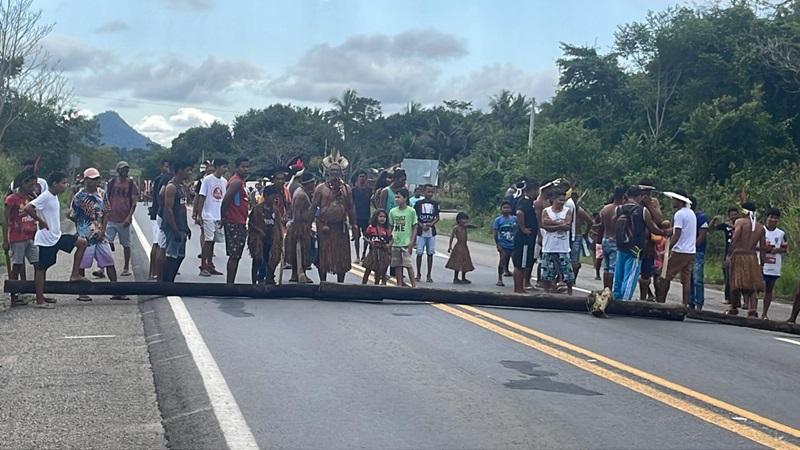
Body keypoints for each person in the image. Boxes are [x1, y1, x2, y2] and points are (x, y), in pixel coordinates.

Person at [25, 172, 89, 309]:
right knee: (41, 269)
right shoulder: (46, 196)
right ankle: (40, 300)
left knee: (82, 243)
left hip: (56, 236)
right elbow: (28, 208)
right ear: (54, 184)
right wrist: (40, 222)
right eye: (63, 183)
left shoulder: (53, 197)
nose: (65, 186)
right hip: (46, 239)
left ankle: (74, 274)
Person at [71, 168, 127, 301]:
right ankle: (82, 291)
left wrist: (103, 229)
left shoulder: (102, 193)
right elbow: (73, 214)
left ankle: (115, 290)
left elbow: (106, 212)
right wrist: (81, 229)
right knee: (82, 263)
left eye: (96, 179)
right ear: (85, 180)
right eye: (92, 179)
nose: (95, 181)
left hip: (100, 233)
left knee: (109, 260)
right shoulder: (79, 197)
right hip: (85, 233)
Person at [615, 186, 668, 301]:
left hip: (620, 246)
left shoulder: (619, 209)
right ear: (639, 196)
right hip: (635, 249)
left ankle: (616, 297)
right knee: (630, 276)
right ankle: (624, 301)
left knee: (618, 275)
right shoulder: (641, 210)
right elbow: (653, 228)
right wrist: (664, 232)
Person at [312, 159, 358, 283]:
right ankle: (323, 281)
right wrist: (307, 225)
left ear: (341, 172)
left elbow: (351, 207)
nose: (334, 173)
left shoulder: (346, 189)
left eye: (337, 170)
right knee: (323, 254)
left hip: (340, 227)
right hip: (324, 227)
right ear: (328, 172)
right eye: (332, 170)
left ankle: (340, 283)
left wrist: (354, 225)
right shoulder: (320, 188)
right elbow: (313, 207)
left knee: (341, 255)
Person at [3, 171, 39, 306]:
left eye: (34, 183)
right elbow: (5, 219)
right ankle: (14, 294)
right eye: (29, 183)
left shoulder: (32, 197)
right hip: (17, 237)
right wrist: (5, 240)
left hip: (31, 235)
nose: (32, 186)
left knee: (37, 264)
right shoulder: (11, 199)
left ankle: (37, 291)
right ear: (22, 184)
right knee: (17, 265)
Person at [725, 203, 766, 317]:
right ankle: (752, 309)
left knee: (735, 283)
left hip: (738, 255)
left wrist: (729, 255)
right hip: (752, 257)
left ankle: (733, 308)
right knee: (752, 284)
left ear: (744, 211)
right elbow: (762, 247)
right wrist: (762, 263)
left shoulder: (740, 222)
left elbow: (735, 238)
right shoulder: (760, 227)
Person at [655, 191, 696, 305]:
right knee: (686, 279)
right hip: (690, 251)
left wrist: (667, 249)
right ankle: (685, 304)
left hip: (680, 250)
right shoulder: (691, 213)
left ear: (679, 201)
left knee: (665, 275)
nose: (672, 201)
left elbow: (677, 234)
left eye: (673, 199)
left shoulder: (679, 214)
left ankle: (660, 301)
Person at [160, 159, 193, 283]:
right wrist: (175, 230)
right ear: (179, 171)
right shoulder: (171, 187)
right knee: (172, 256)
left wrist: (186, 227)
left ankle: (170, 282)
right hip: (173, 227)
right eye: (188, 170)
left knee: (180, 255)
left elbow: (182, 208)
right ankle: (165, 282)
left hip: (181, 226)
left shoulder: (181, 187)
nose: (189, 173)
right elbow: (168, 210)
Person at [104, 161, 138, 277]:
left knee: (126, 244)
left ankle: (126, 267)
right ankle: (103, 268)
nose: (125, 171)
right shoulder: (112, 183)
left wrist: (129, 217)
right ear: (118, 170)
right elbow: (106, 199)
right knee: (106, 243)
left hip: (124, 219)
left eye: (126, 169)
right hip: (111, 218)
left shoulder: (131, 184)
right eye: (123, 169)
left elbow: (134, 203)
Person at [195, 159, 228, 277]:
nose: (226, 169)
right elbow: (202, 196)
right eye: (224, 167)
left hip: (218, 215)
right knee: (208, 241)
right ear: (217, 167)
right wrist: (199, 214)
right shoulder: (207, 180)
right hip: (208, 214)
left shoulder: (224, 181)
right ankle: (203, 266)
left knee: (213, 242)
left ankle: (210, 264)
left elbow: (224, 199)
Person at [540, 189, 576, 294]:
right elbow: (545, 226)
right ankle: (546, 291)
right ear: (553, 199)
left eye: (563, 200)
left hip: (563, 247)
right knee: (547, 272)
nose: (562, 202)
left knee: (567, 272)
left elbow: (567, 226)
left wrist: (552, 223)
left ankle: (570, 292)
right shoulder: (546, 211)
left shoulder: (567, 211)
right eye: (560, 200)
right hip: (549, 246)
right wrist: (560, 224)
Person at [221, 157, 250, 285]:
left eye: (247, 167)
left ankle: (230, 283)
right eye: (243, 167)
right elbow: (226, 199)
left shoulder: (240, 182)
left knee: (236, 254)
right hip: (234, 221)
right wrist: (223, 217)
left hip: (239, 220)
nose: (246, 169)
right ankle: (230, 284)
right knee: (234, 255)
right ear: (237, 168)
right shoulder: (236, 182)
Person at [247, 184, 281, 285]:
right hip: (259, 240)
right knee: (257, 259)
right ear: (265, 196)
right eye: (272, 197)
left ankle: (265, 278)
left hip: (270, 240)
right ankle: (254, 282)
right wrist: (259, 231)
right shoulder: (257, 209)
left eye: (276, 198)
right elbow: (251, 223)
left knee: (268, 259)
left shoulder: (275, 211)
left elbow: (277, 225)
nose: (274, 200)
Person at [637, 180, 664, 300]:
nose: (647, 194)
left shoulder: (654, 202)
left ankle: (650, 297)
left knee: (648, 272)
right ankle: (645, 295)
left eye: (649, 191)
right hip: (636, 241)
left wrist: (649, 205)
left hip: (650, 242)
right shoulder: (634, 201)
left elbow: (659, 220)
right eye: (644, 191)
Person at [287, 172, 316, 283]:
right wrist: (300, 229)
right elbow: (297, 213)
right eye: (313, 183)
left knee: (297, 251)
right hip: (300, 226)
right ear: (309, 183)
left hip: (299, 225)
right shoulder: (301, 195)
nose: (314, 185)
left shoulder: (301, 192)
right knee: (302, 251)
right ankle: (300, 273)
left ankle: (295, 274)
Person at [512, 182, 539, 294]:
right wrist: (523, 228)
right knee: (520, 264)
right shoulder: (524, 201)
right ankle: (518, 288)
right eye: (536, 191)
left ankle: (521, 287)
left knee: (524, 263)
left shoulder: (530, 202)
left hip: (529, 238)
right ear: (530, 190)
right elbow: (519, 213)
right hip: (523, 238)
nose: (537, 193)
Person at [710, 207, 741, 305]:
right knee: (727, 276)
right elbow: (711, 230)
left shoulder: (741, 225)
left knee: (738, 276)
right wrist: (714, 220)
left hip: (740, 253)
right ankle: (728, 297)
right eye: (732, 215)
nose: (733, 217)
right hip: (728, 253)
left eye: (735, 214)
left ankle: (738, 300)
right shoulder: (726, 226)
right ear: (729, 216)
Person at [761, 208, 788, 320]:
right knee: (755, 287)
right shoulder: (760, 230)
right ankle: (751, 309)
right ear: (766, 218)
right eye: (771, 217)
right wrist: (764, 249)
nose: (773, 220)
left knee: (769, 289)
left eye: (775, 218)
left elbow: (785, 248)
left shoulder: (781, 233)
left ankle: (764, 313)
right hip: (760, 264)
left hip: (773, 265)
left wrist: (776, 250)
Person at [389, 188, 417, 287]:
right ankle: (399, 284)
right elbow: (391, 227)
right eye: (395, 197)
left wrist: (412, 242)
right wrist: (390, 240)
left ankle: (414, 286)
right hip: (396, 241)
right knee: (397, 265)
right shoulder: (393, 211)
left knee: (408, 264)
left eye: (399, 197)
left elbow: (414, 227)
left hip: (406, 242)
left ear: (405, 198)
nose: (396, 199)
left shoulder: (411, 211)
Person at [148, 159, 171, 280]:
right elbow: (161, 194)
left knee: (157, 243)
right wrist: (164, 208)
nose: (168, 169)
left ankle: (152, 271)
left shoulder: (158, 178)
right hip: (159, 213)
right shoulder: (166, 179)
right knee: (159, 244)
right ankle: (156, 272)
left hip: (155, 212)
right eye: (166, 166)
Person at [599, 187, 625, 289]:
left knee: (606, 267)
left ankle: (605, 288)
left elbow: (601, 224)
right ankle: (609, 289)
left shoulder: (605, 209)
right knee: (613, 268)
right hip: (614, 239)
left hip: (605, 238)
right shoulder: (620, 210)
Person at [414, 184, 440, 283]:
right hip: (421, 232)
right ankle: (418, 274)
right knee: (419, 252)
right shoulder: (418, 204)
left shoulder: (435, 204)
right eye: (428, 191)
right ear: (424, 192)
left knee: (430, 253)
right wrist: (421, 225)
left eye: (431, 192)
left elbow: (437, 217)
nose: (430, 194)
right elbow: (415, 217)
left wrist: (430, 224)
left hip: (431, 232)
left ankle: (429, 274)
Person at [361, 209, 392, 285]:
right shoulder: (371, 227)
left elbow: (391, 239)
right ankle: (363, 284)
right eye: (380, 216)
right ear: (376, 217)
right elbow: (365, 236)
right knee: (368, 268)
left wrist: (388, 245)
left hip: (383, 251)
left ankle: (377, 284)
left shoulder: (386, 229)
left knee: (379, 270)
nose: (382, 219)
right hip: (373, 251)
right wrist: (370, 242)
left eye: (384, 217)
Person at [689, 196, 710, 310]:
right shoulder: (687, 216)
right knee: (689, 278)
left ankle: (699, 303)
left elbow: (702, 237)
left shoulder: (701, 218)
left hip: (697, 251)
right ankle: (690, 301)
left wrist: (691, 247)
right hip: (689, 250)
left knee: (697, 278)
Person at [446, 212, 475, 284]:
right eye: (462, 219)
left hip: (464, 246)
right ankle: (455, 278)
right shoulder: (456, 228)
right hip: (458, 247)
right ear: (458, 220)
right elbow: (452, 237)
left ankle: (463, 277)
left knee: (465, 261)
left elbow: (472, 226)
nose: (464, 221)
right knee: (457, 262)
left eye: (465, 219)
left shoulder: (465, 227)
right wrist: (450, 246)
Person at [493, 201, 517, 287]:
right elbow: (495, 233)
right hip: (503, 244)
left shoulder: (514, 219)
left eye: (508, 208)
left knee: (516, 262)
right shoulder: (498, 220)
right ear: (501, 209)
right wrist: (498, 244)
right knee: (502, 261)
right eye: (504, 208)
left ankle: (518, 280)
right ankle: (500, 278)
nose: (506, 209)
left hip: (514, 244)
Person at [352, 170, 372, 263]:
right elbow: (351, 204)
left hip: (366, 216)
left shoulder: (369, 190)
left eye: (364, 176)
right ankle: (357, 256)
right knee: (356, 237)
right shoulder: (354, 190)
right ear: (357, 178)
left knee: (366, 237)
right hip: (356, 216)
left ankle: (364, 254)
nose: (362, 178)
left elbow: (371, 203)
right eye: (360, 176)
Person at [590, 212, 603, 281]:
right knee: (598, 257)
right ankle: (597, 273)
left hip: (599, 239)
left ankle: (598, 274)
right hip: (600, 239)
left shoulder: (602, 214)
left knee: (599, 258)